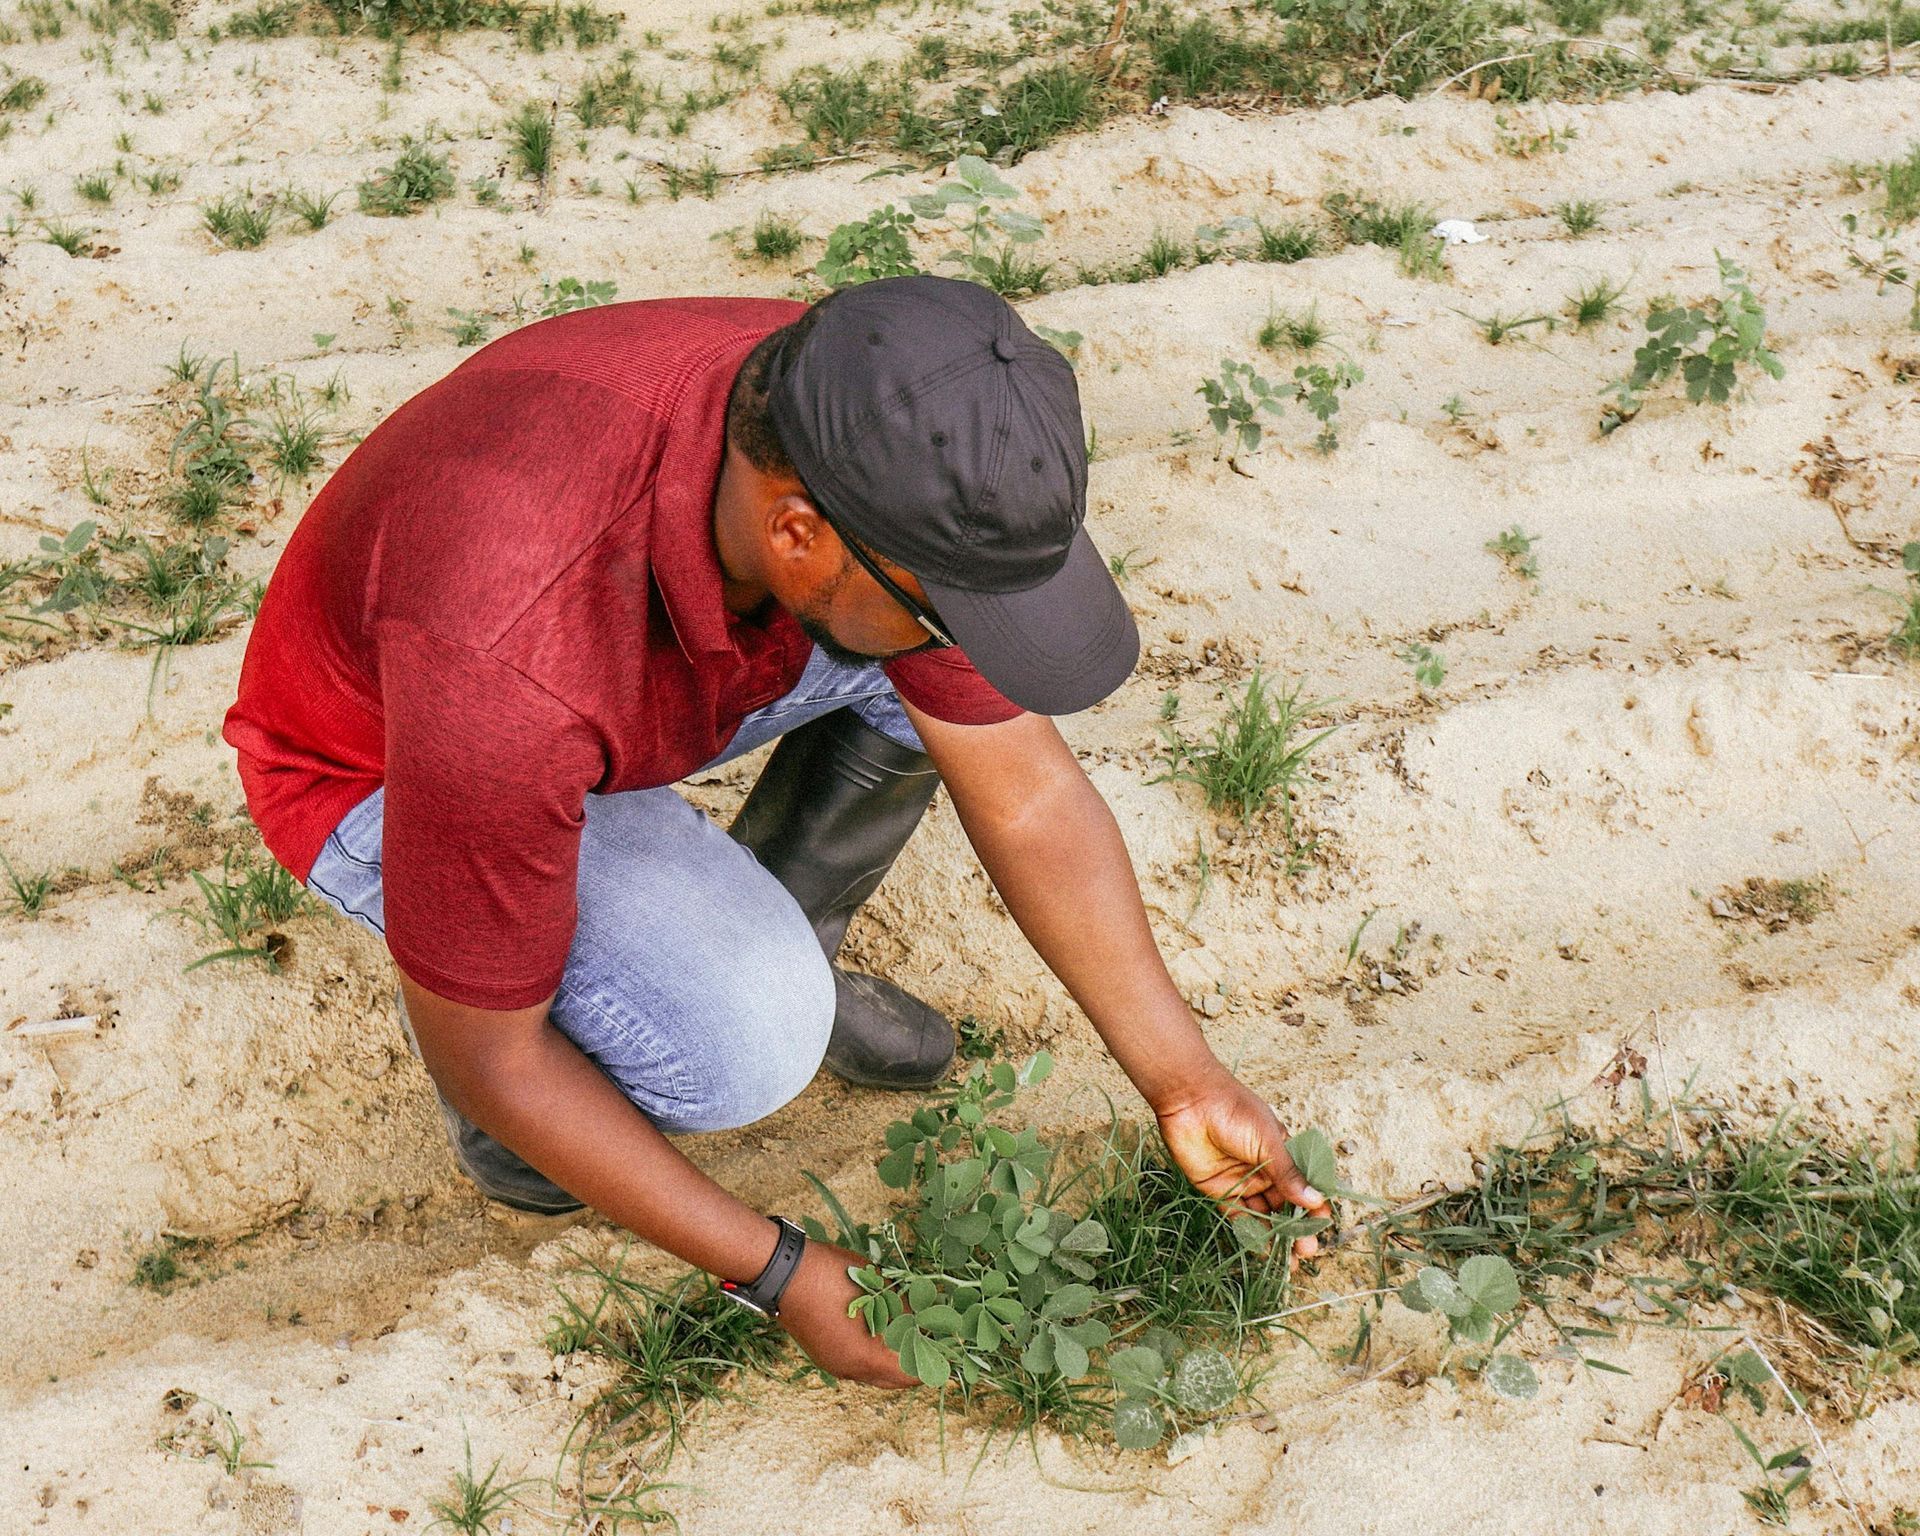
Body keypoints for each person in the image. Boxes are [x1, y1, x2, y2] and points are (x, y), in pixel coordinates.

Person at [222, 275, 1329, 1388]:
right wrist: (788, 1275)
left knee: (928, 675)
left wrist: (1188, 1082)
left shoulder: (861, 420)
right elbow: (492, 1058)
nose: (961, 634)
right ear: (795, 533)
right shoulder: (507, 654)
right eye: (945, 603)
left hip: (619, 679)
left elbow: (1028, 794)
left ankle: (784, 925)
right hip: (392, 765)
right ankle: (540, 1131)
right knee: (743, 1040)